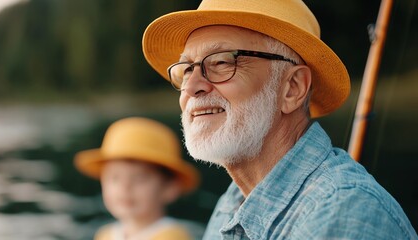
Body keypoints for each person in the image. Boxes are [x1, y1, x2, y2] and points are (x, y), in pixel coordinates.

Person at [142, 0, 418, 239]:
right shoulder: (234, 199)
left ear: (292, 88)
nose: (192, 87)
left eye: (222, 62)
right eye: (187, 69)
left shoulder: (346, 212)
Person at [74, 117, 200, 240]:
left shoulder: (173, 237)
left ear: (169, 188)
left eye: (139, 179)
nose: (125, 187)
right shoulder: (105, 235)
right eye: (114, 178)